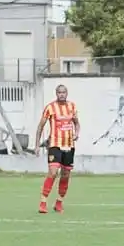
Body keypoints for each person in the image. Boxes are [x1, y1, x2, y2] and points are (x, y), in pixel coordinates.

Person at [35, 84, 80, 214]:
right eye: (59, 92)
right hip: (55, 145)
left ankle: (59, 203)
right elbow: (40, 127)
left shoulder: (72, 106)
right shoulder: (50, 107)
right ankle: (43, 202)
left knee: (65, 175)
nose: (61, 94)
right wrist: (37, 145)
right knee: (53, 172)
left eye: (64, 92)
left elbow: (77, 123)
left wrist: (77, 133)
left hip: (69, 145)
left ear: (67, 93)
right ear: (56, 94)